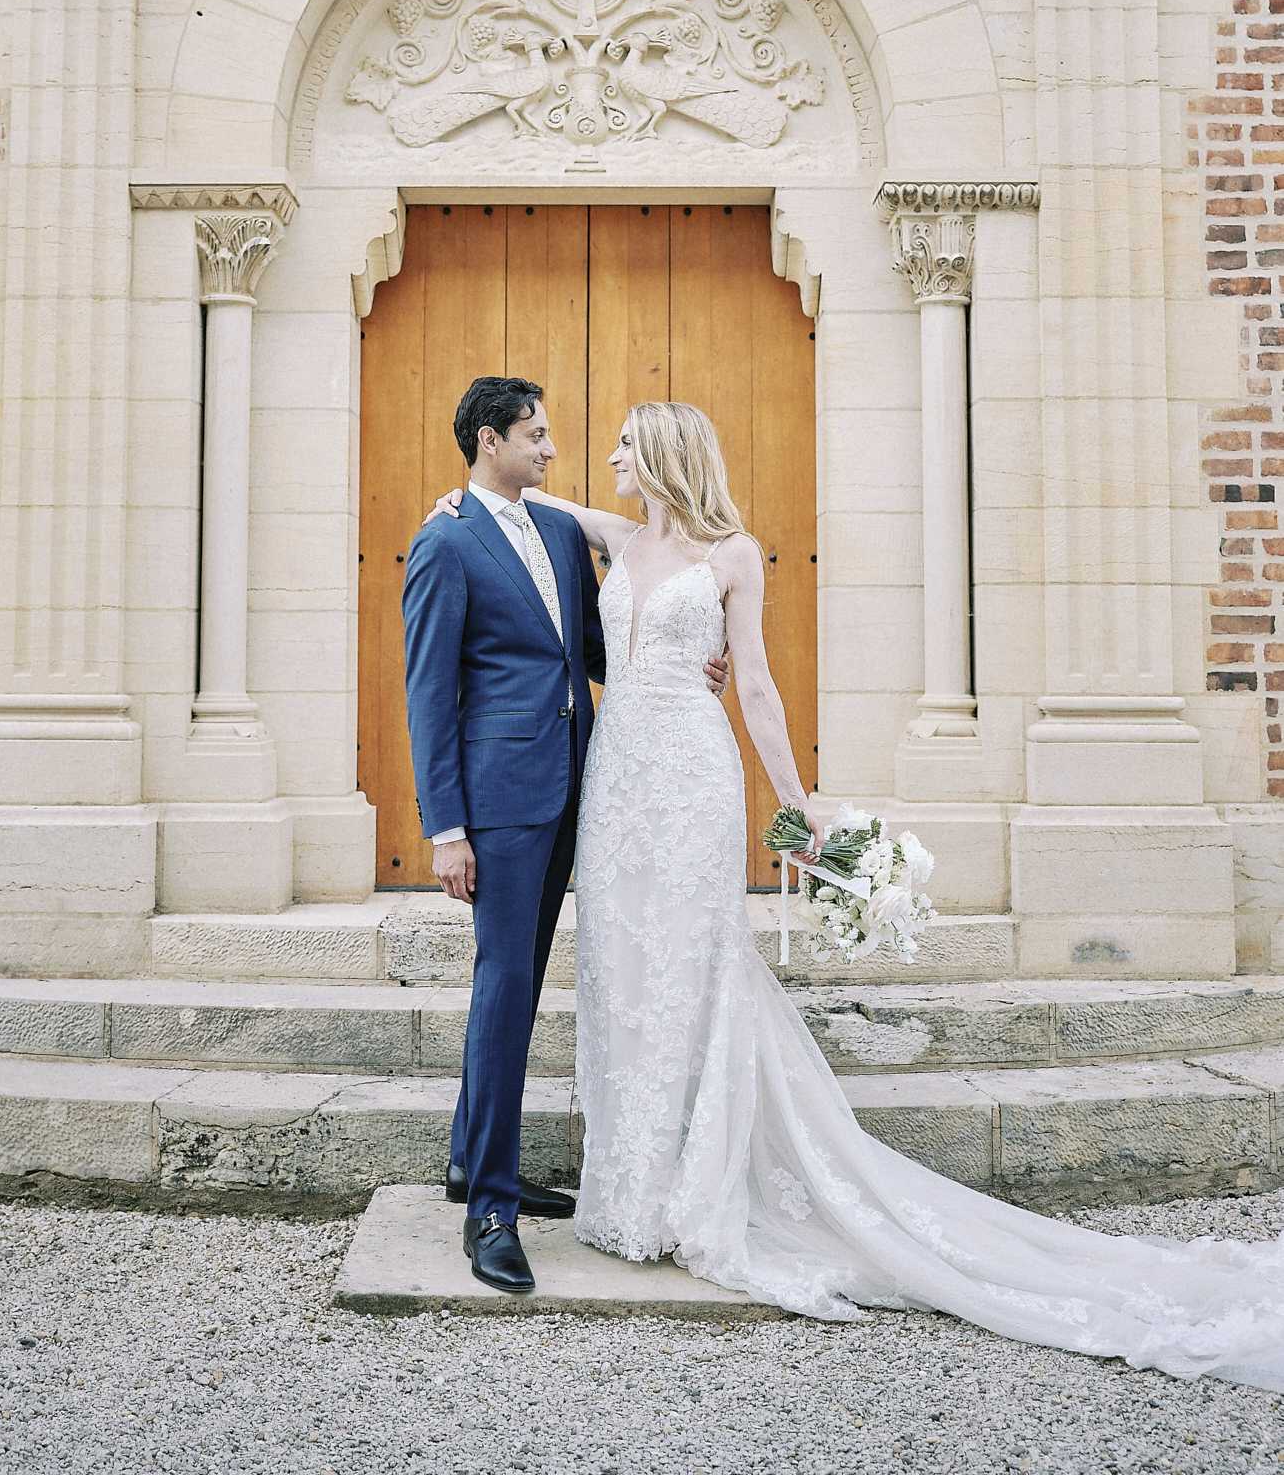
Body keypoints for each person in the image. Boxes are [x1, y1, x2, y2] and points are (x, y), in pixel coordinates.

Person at [429, 398, 1284, 1388]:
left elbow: (751, 683)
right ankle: (631, 1190)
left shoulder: (734, 554)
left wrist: (798, 813)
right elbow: (524, 509)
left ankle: (696, 1190)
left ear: (662, 454)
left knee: (696, 969)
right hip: (617, 785)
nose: (605, 453)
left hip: (693, 780)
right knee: (625, 975)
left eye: (626, 441)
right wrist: (457, 499)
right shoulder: (613, 537)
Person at [401, 377, 727, 1296]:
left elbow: (593, 650)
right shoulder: (444, 541)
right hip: (497, 804)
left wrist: (691, 657)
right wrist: (446, 828)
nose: (550, 448)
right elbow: (429, 696)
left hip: (575, 789)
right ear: (491, 440)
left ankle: (472, 1157)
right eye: (536, 435)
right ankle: (491, 1211)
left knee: (520, 976)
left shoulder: (553, 531)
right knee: (505, 985)